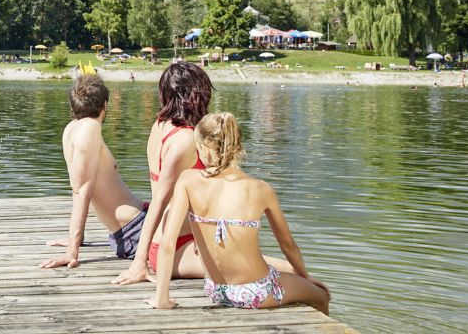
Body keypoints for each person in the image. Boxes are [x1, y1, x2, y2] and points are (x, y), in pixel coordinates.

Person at [149, 112, 330, 314]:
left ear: (203, 149)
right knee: (321, 295)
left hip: (217, 290)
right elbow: (288, 245)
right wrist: (305, 276)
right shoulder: (260, 188)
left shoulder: (188, 180)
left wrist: (161, 298)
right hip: (257, 292)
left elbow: (167, 243)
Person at [114, 62, 213, 285]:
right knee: (268, 268)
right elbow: (159, 200)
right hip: (175, 246)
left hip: (179, 242)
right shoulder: (185, 139)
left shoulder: (160, 125)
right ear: (195, 95)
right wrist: (139, 263)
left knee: (270, 268)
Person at [40, 75, 148, 269]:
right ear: (104, 105)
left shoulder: (71, 129)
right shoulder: (89, 128)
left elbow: (80, 183)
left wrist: (77, 238)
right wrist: (71, 252)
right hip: (136, 230)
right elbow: (81, 190)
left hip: (132, 228)